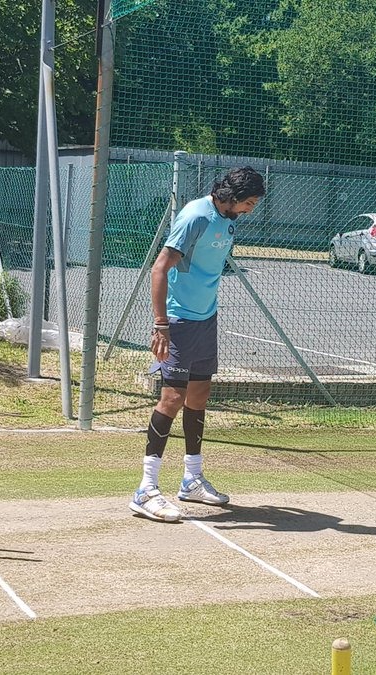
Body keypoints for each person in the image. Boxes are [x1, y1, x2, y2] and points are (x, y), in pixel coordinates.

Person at [129, 167, 266, 522]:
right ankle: (145, 490)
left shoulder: (228, 219)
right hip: (178, 320)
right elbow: (160, 268)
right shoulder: (195, 216)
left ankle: (191, 479)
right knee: (172, 398)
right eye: (249, 203)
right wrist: (161, 325)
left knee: (199, 395)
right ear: (233, 197)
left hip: (206, 318)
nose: (250, 209)